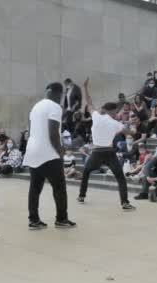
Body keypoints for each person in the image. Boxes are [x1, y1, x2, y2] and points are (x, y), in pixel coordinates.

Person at [23, 82, 76, 230]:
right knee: (59, 187)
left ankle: (33, 220)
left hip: (32, 150)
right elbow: (53, 133)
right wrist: (59, 150)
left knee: (35, 187)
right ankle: (61, 219)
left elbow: (31, 130)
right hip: (48, 152)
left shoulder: (35, 107)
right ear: (59, 94)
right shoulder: (55, 107)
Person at [77, 78, 135, 211]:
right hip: (109, 153)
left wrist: (85, 88)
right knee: (120, 178)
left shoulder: (96, 116)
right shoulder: (116, 123)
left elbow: (89, 102)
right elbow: (130, 133)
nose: (117, 113)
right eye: (116, 111)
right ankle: (125, 202)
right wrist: (133, 127)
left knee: (86, 172)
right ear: (113, 111)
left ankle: (81, 196)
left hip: (96, 153)